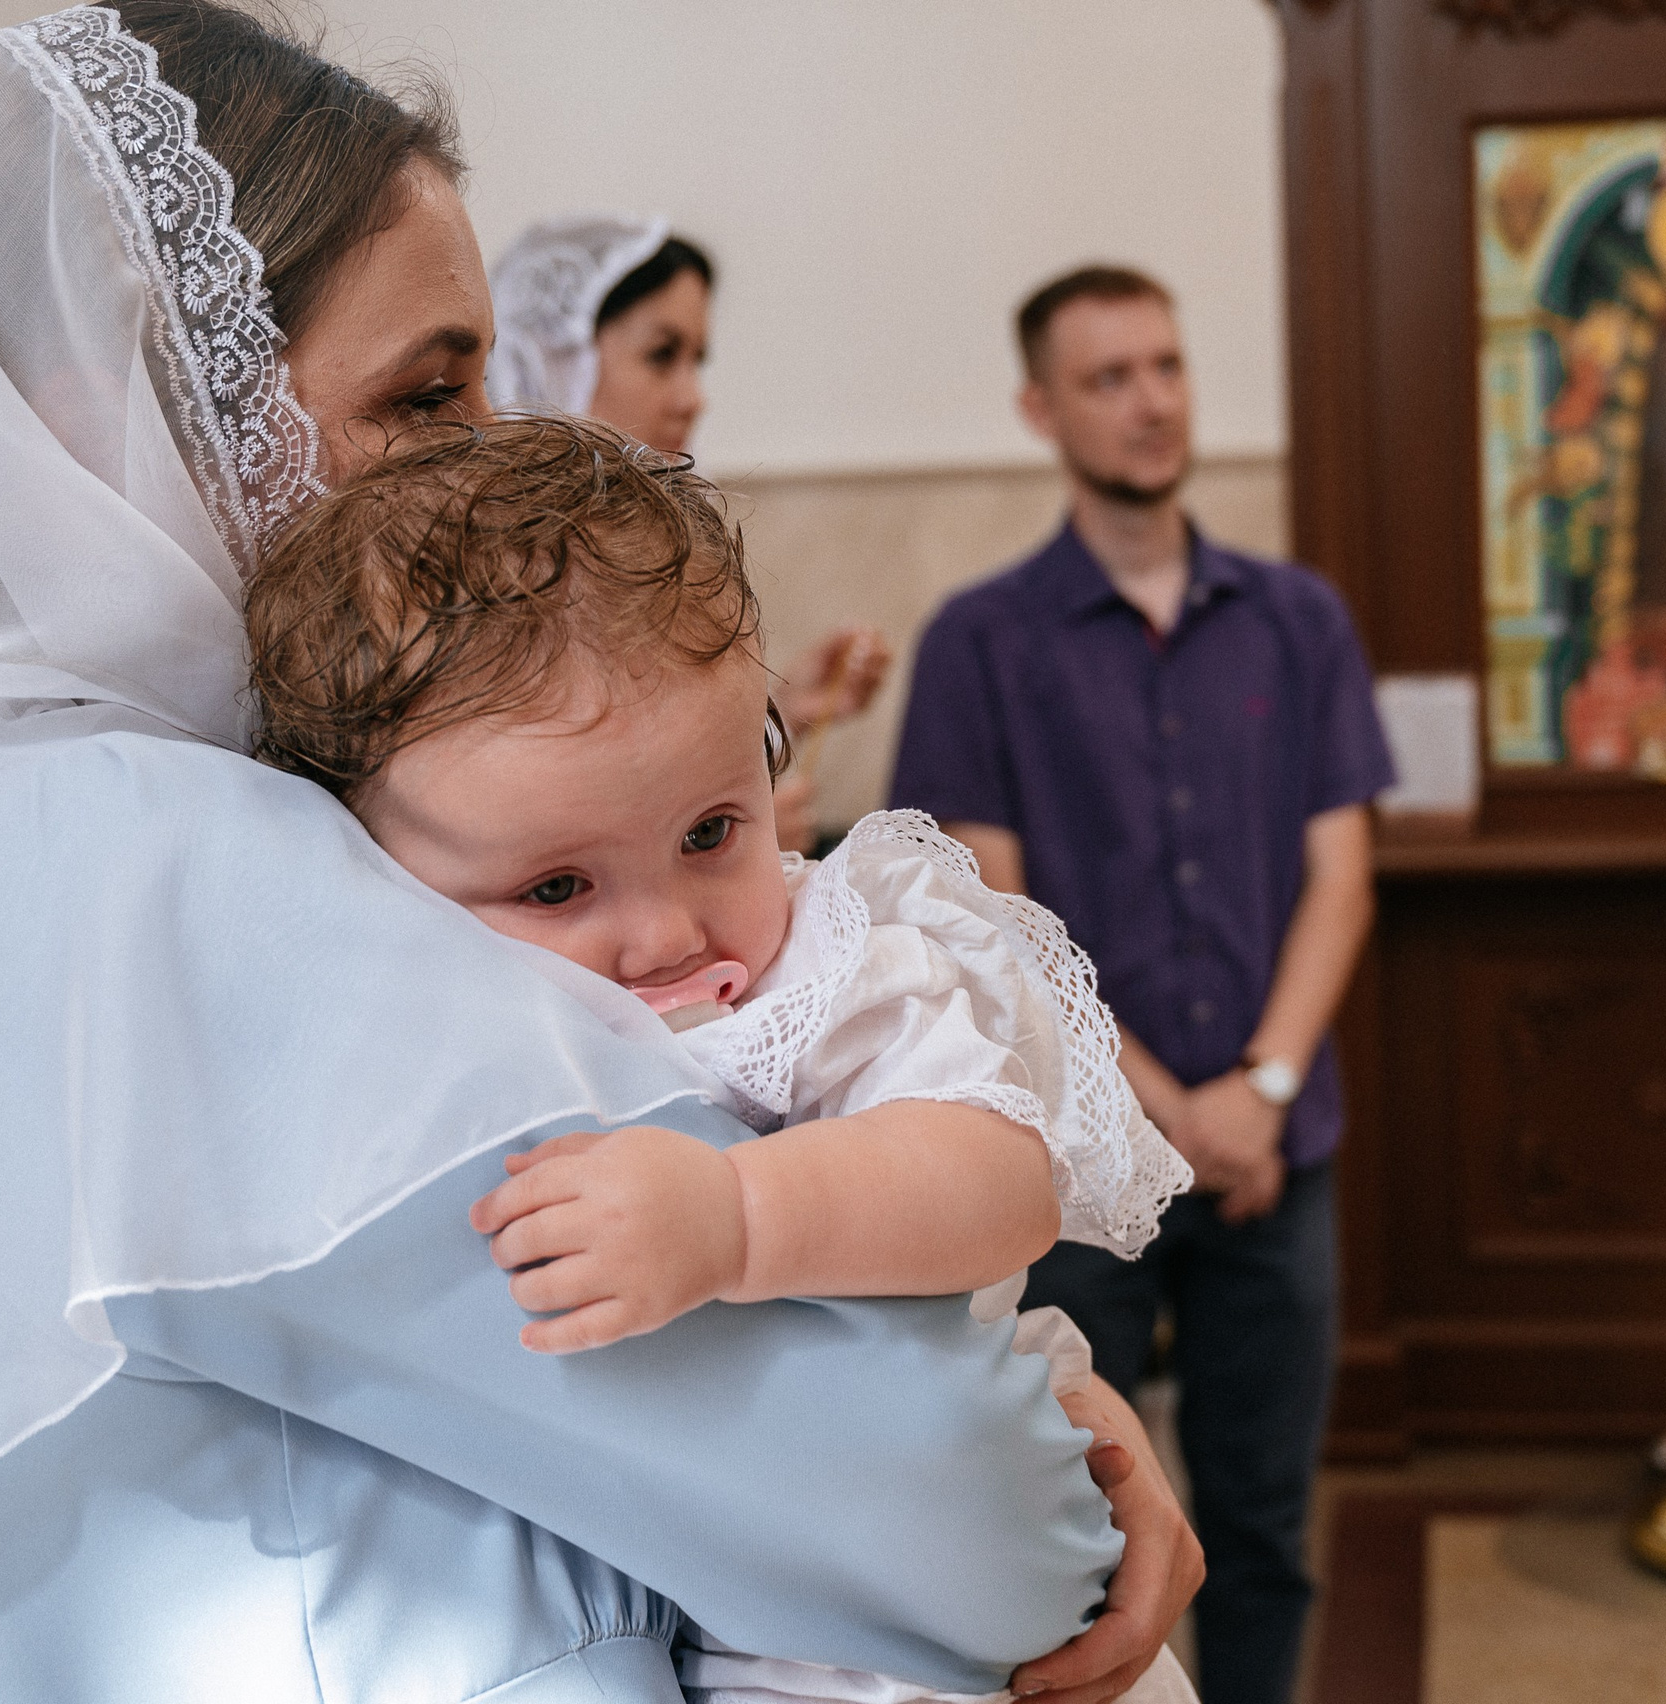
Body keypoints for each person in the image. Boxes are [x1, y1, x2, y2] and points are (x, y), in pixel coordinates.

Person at [0, 9, 1199, 1702]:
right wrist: (1041, 1420)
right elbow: (958, 1504)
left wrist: (996, 1356)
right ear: (120, 420)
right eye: (427, 391)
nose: (482, 462)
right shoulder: (142, 864)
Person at [248, 414, 1199, 1703]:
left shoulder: (824, 965)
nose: (666, 934)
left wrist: (739, 1212)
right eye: (558, 884)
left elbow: (998, 1175)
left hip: (947, 1645)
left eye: (712, 831)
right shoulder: (415, 1016)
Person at [890, 265, 1392, 1704]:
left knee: (1264, 1521)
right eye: (1108, 377)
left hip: (1276, 1153)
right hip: (1079, 1164)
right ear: (1040, 409)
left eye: (1165, 364)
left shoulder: (1298, 621)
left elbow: (1341, 875)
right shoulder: (981, 643)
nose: (1151, 400)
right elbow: (994, 913)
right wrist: (1167, 1110)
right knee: (1081, 1525)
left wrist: (1265, 1089)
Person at [487, 215, 890, 852]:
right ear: (559, 356)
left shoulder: (643, 537)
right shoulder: (495, 554)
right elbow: (530, 822)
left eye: (696, 360)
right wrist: (732, 844)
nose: (694, 396)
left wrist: (788, 706)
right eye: (661, 355)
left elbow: (648, 758)